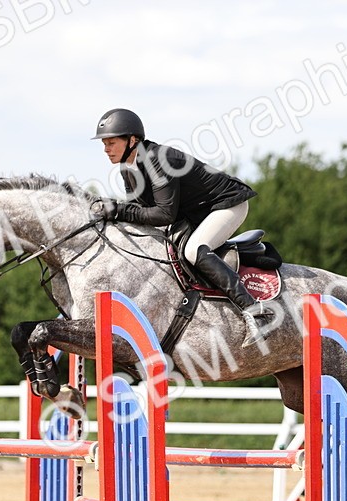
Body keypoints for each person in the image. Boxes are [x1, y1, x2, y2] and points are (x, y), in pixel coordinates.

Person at [90, 108, 273, 342]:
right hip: (194, 213)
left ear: (132, 140)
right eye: (104, 143)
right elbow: (138, 213)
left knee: (193, 251)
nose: (106, 149)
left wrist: (118, 210)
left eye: (111, 142)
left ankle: (255, 311)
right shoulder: (128, 168)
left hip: (226, 205)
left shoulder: (157, 159)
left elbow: (164, 214)